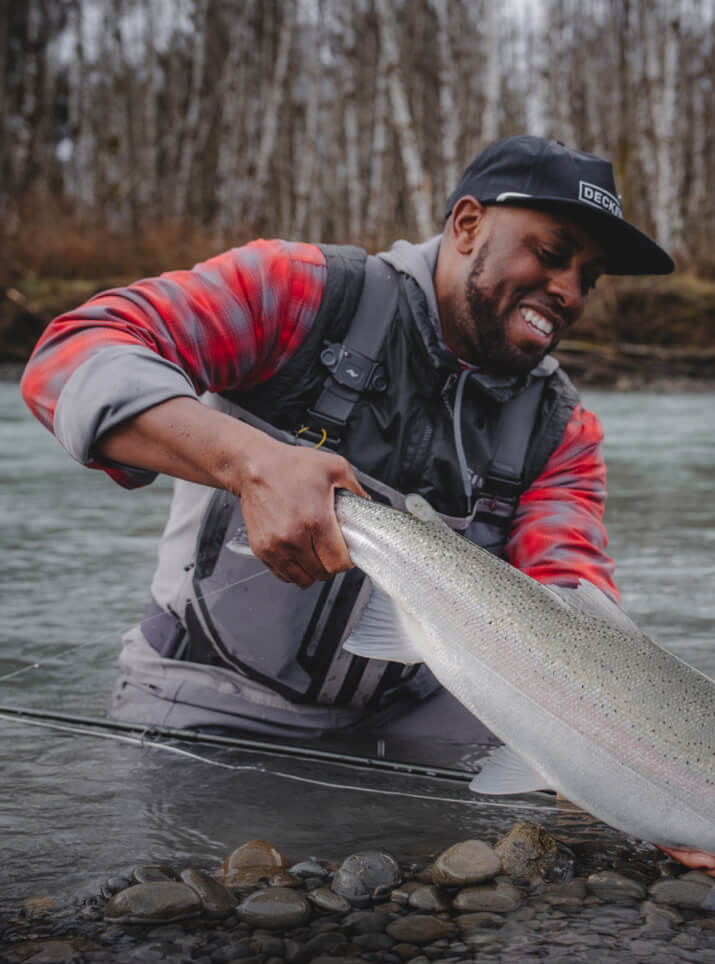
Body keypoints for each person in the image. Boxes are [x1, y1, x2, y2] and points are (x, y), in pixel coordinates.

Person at [20, 135, 674, 747]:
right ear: (467, 224)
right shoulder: (297, 290)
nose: (568, 291)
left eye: (589, 277)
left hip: (420, 715)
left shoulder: (563, 428)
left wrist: (648, 776)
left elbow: (568, 601)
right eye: (553, 254)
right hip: (210, 693)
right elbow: (74, 352)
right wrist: (251, 462)